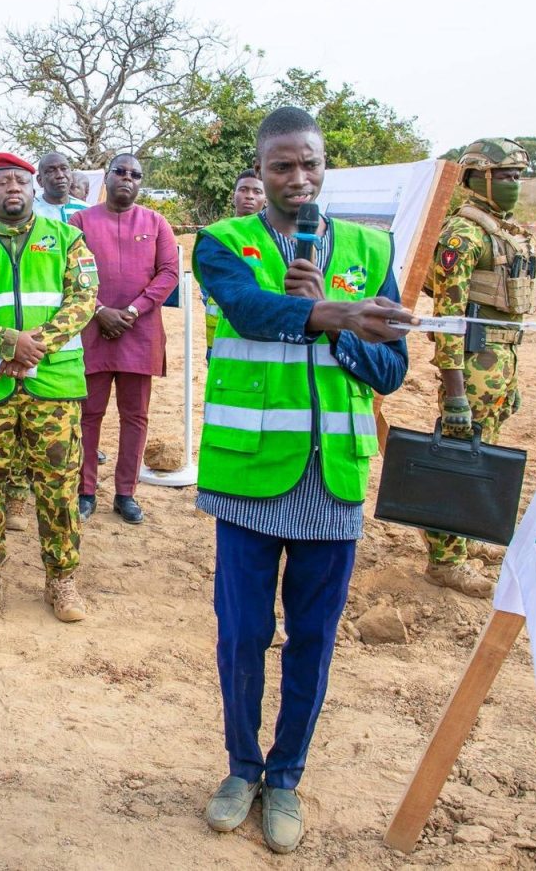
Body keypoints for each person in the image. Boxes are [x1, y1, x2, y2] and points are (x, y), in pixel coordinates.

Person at [193, 106, 414, 853]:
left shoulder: (368, 245)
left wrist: (342, 323)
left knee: (312, 640)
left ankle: (285, 776)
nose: (298, 178)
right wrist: (324, 310)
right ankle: (240, 767)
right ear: (259, 171)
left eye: (310, 164)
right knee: (244, 634)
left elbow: (391, 368)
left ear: (325, 167)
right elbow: (251, 312)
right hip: (251, 474)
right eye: (281, 166)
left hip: (334, 480)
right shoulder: (224, 243)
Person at [0, 151, 97, 625]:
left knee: (59, 488)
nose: (13, 189)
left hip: (53, 383)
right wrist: (5, 344)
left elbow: (84, 300)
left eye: (20, 182)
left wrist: (33, 348)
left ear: (32, 189)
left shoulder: (69, 238)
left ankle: (62, 580)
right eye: (2, 182)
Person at [423, 138, 536, 598]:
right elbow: (448, 317)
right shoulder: (463, 235)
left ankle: (466, 536)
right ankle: (444, 559)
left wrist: (510, 377)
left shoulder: (503, 231)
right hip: (471, 365)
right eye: (506, 176)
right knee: (459, 457)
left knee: (484, 450)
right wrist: (454, 389)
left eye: (517, 176)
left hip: (500, 360)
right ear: (479, 177)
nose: (514, 184)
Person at [69, 154, 179, 524]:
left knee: (135, 417)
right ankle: (86, 491)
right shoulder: (81, 221)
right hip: (91, 329)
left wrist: (132, 311)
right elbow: (69, 274)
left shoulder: (156, 222)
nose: (127, 179)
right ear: (107, 177)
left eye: (135, 175)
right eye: (120, 172)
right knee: (88, 415)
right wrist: (100, 311)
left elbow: (168, 273)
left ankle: (125, 493)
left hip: (140, 332)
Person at [203, 171, 267, 357]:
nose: (249, 196)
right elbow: (207, 286)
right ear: (233, 196)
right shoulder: (216, 236)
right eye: (243, 190)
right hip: (219, 338)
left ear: (266, 199)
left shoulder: (271, 240)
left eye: (257, 191)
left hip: (259, 337)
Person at [33, 153, 89, 223]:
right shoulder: (30, 212)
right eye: (51, 171)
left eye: (64, 169)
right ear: (40, 180)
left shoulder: (87, 211)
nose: (60, 175)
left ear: (71, 177)